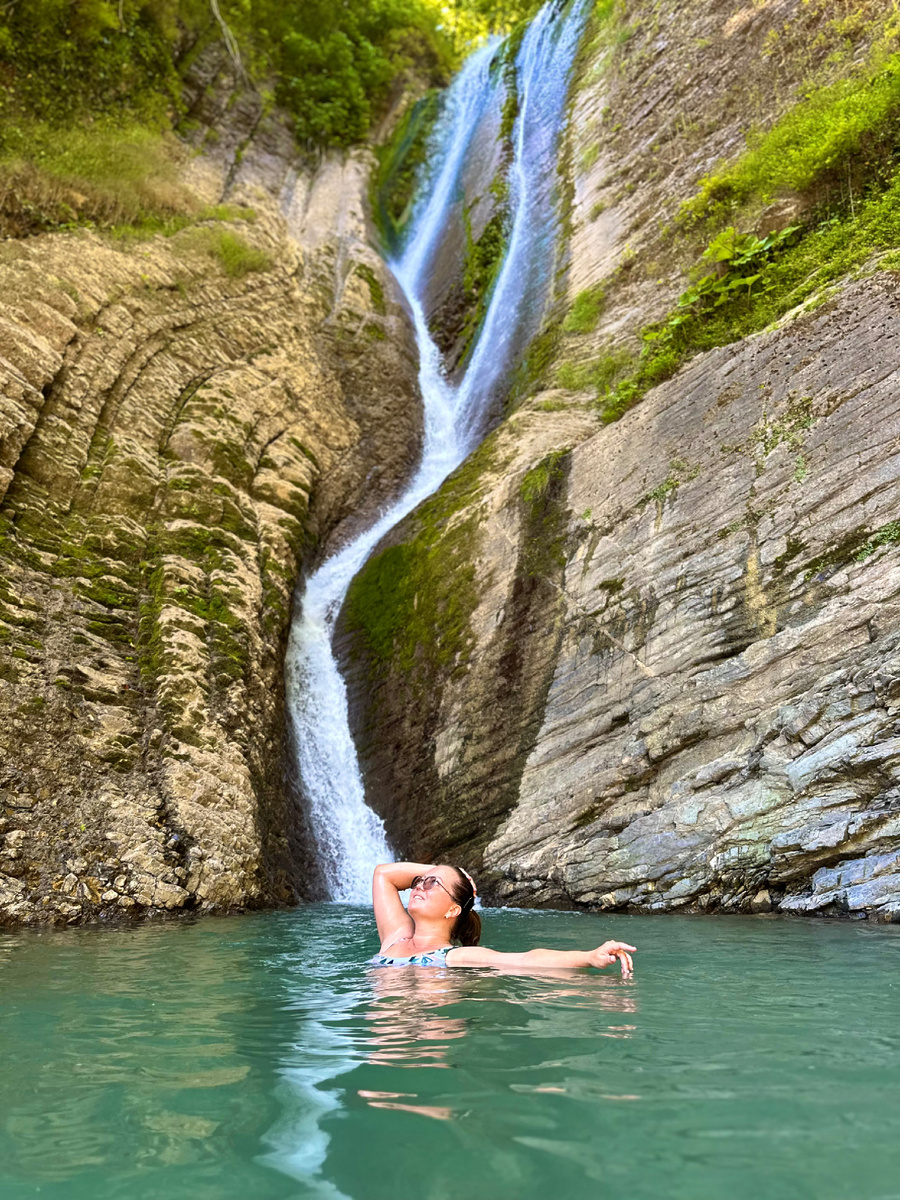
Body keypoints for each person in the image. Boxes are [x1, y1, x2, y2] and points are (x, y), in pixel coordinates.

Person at [371, 861, 635, 975]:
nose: (418, 886)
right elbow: (383, 874)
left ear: (453, 910)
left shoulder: (454, 956)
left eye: (432, 884)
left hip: (426, 1046)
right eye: (419, 882)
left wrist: (589, 957)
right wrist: (446, 873)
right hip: (385, 1044)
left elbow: (524, 960)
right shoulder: (395, 939)